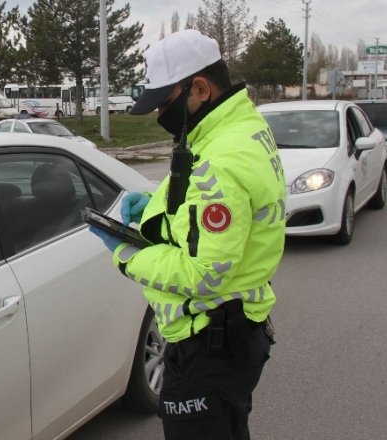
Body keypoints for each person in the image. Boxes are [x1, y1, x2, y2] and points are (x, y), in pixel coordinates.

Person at [89, 29, 285, 439]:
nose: (162, 114)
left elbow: (203, 274)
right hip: (231, 334)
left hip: (208, 347)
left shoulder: (222, 158)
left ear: (200, 87)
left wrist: (126, 254)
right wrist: (158, 208)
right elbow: (200, 195)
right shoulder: (234, 128)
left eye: (165, 103)